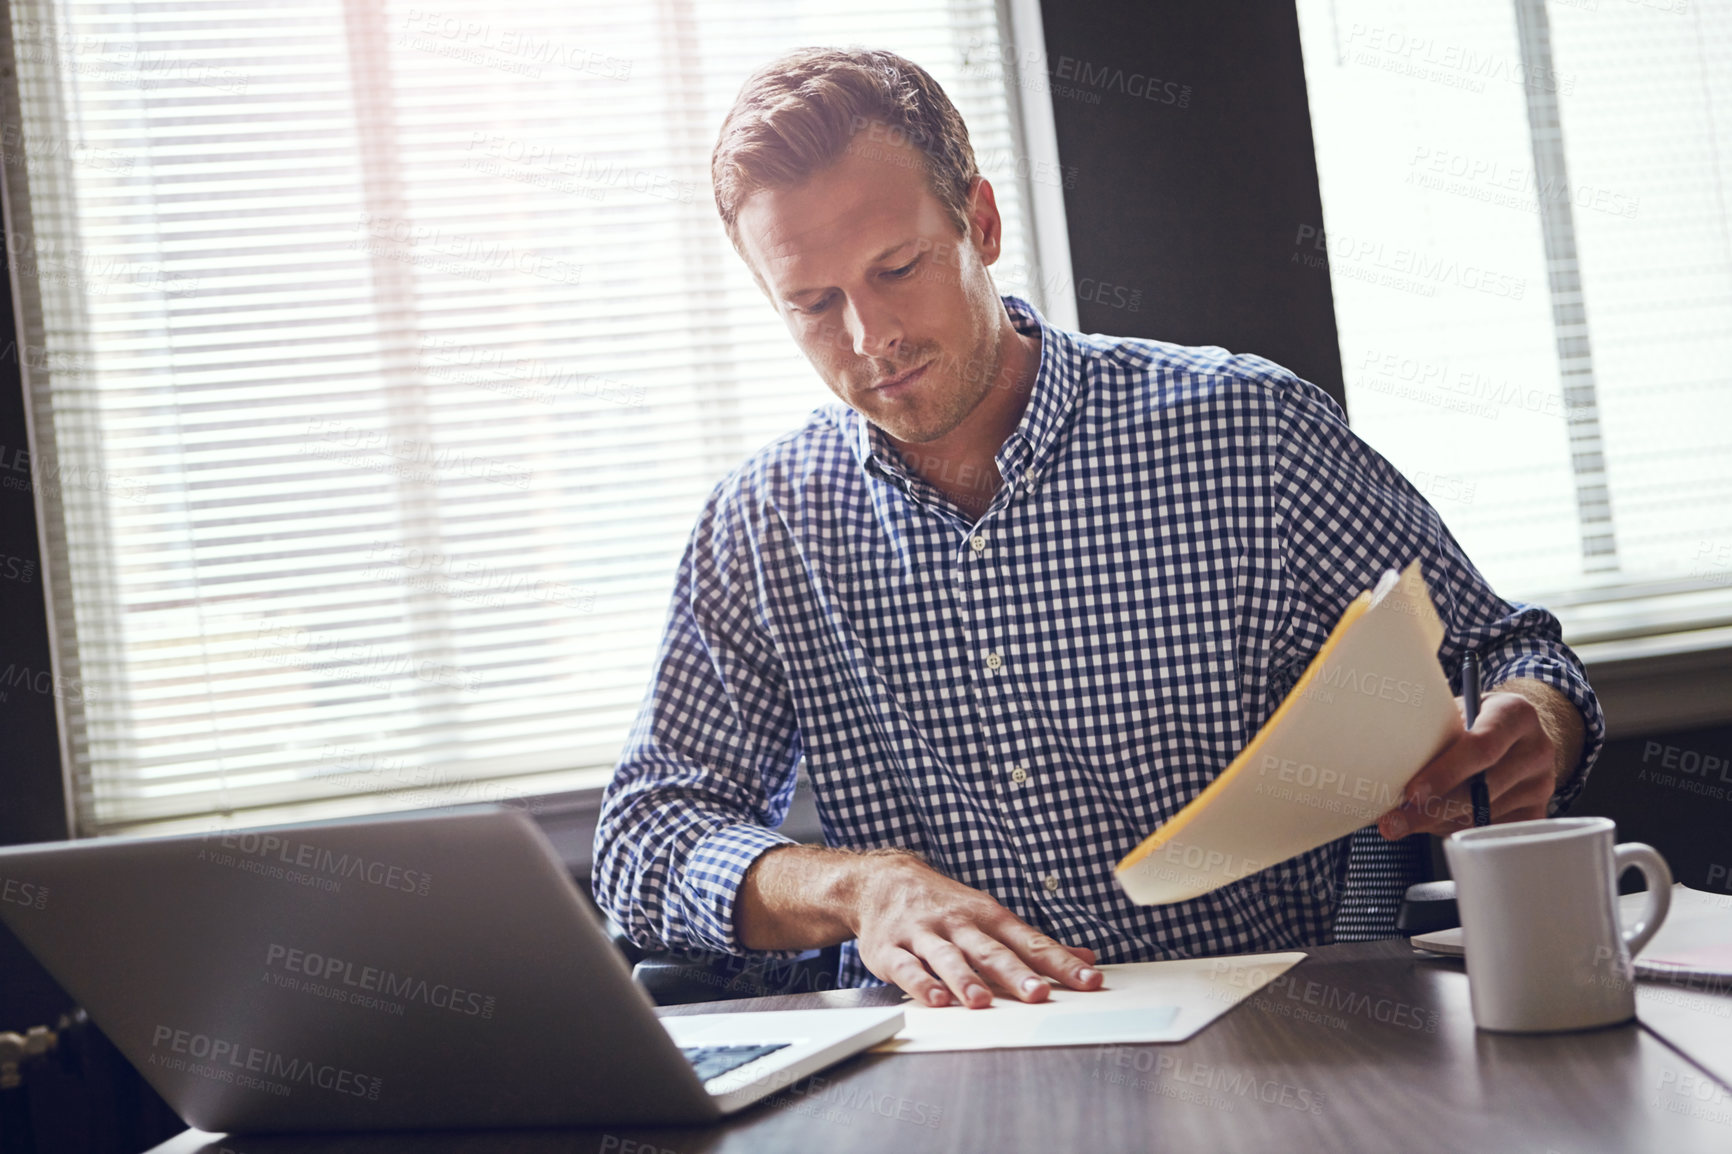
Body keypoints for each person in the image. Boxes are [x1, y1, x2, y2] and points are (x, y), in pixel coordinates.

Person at [593, 47, 1602, 1010]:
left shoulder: (1246, 430)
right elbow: (643, 839)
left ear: (979, 222)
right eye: (813, 303)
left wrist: (1529, 724)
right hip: (946, 1065)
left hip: (1269, 1035)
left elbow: (1510, 655)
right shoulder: (763, 521)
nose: (871, 338)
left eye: (898, 267)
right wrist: (863, 888)